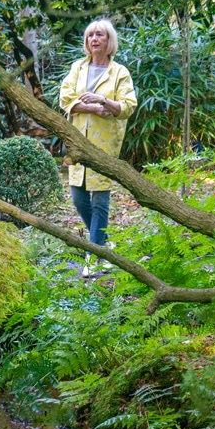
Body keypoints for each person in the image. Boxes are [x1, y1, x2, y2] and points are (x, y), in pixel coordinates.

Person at [59, 19, 137, 278]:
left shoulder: (120, 73)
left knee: (100, 199)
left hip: (104, 145)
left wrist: (104, 99)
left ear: (109, 41)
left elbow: (127, 106)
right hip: (77, 141)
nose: (94, 39)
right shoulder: (77, 68)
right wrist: (93, 107)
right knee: (78, 197)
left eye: (99, 35)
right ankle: (101, 243)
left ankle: (94, 257)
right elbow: (65, 99)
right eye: (90, 35)